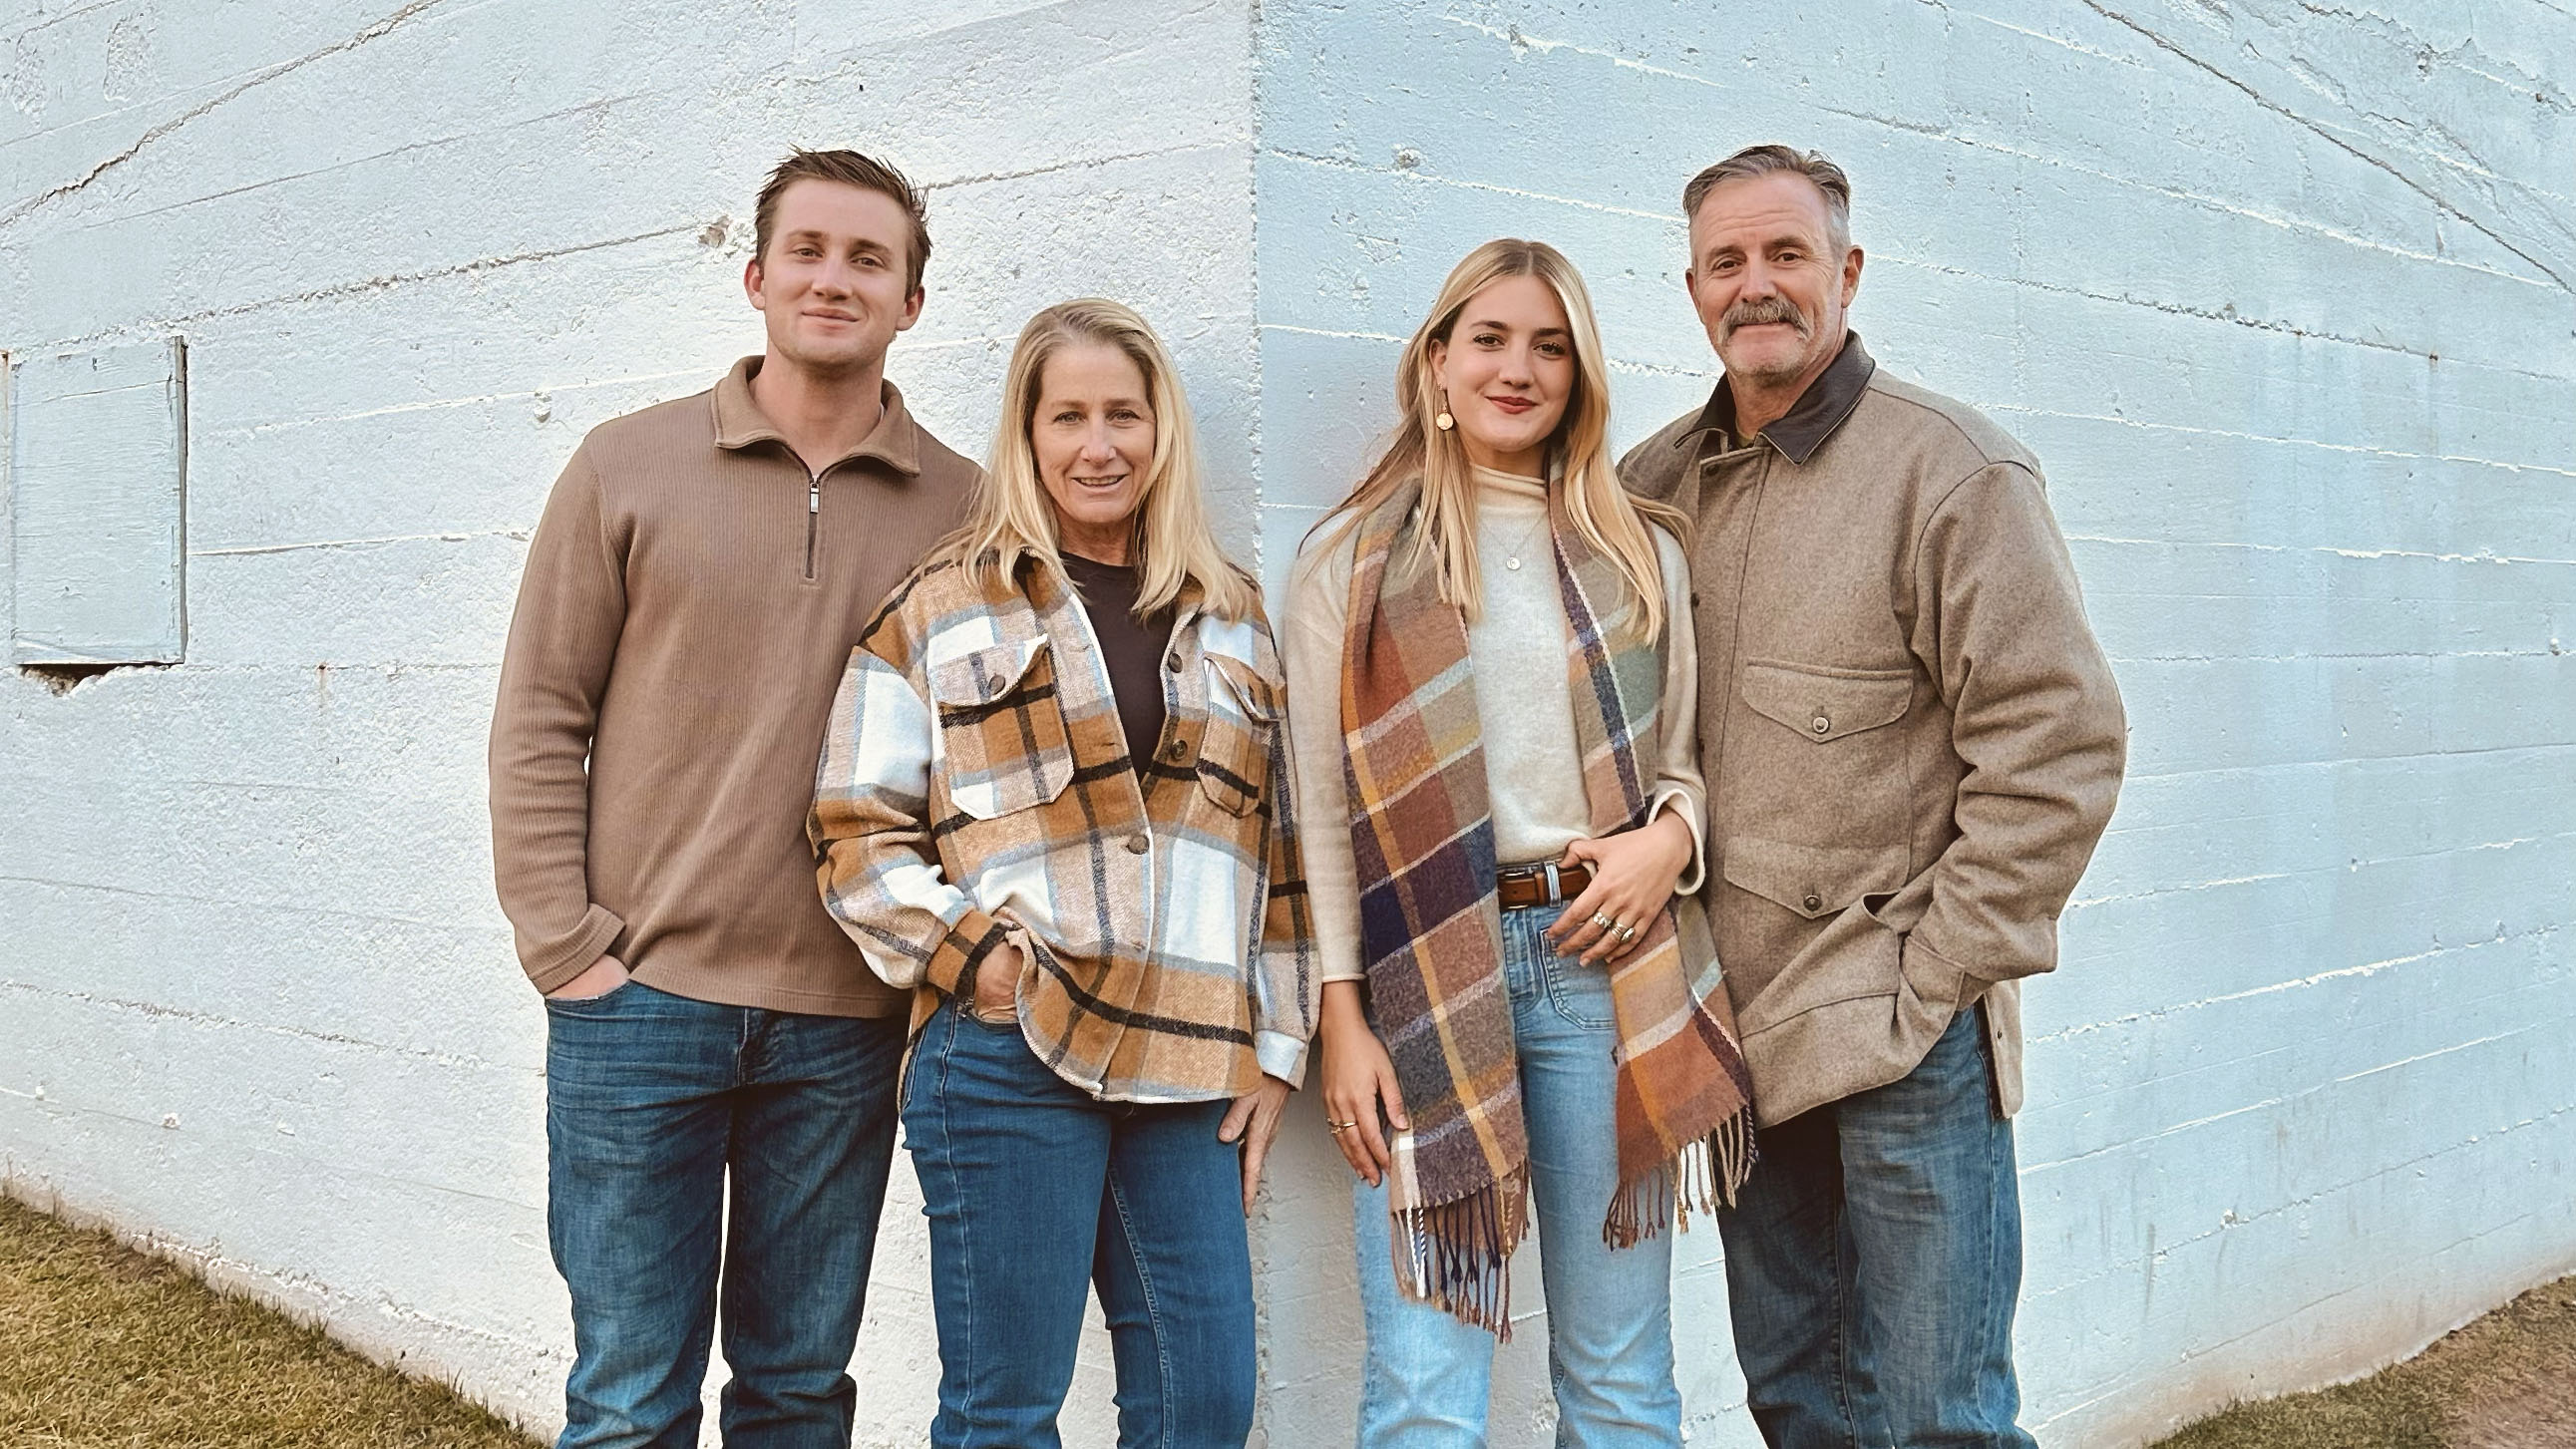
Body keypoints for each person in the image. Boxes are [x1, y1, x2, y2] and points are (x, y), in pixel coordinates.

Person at [1620, 145, 2128, 1449]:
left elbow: (2055, 749)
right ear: (1690, 291)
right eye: (1725, 262)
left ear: (1844, 272)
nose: (1756, 285)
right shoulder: (1650, 490)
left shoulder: (1952, 473)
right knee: (1799, 1403)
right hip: (1735, 1030)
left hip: (1904, 1035)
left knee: (1933, 1416)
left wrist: (1930, 972)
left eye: (1785, 254)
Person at [488, 148, 979, 1448]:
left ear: (911, 302)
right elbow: (541, 715)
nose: (835, 278)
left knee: (797, 1395)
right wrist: (566, 947)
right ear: (757, 278)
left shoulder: (968, 511)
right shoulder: (623, 467)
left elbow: (985, 765)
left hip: (847, 1018)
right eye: (808, 252)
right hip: (636, 1002)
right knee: (629, 1397)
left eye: (868, 259)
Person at [809, 298, 1313, 1449]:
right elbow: (853, 826)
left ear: (1161, 432)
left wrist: (1276, 1048)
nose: (1100, 445)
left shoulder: (1233, 622)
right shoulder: (940, 606)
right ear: (1028, 437)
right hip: (1006, 1051)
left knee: (1204, 1401)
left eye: (1125, 415)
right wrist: (978, 960)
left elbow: (1278, 862)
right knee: (1005, 1415)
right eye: (1070, 416)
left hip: (1189, 1065)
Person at [1283, 238, 1759, 1448]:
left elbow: (1689, 764)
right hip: (1420, 982)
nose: (1518, 367)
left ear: (1581, 374)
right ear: (1436, 362)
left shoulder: (1639, 550)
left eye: (1550, 345)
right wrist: (1341, 1012)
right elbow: (1320, 820)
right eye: (1489, 339)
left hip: (1609, 963)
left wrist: (1672, 842)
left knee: (1618, 1379)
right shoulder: (1348, 563)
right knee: (1424, 1390)